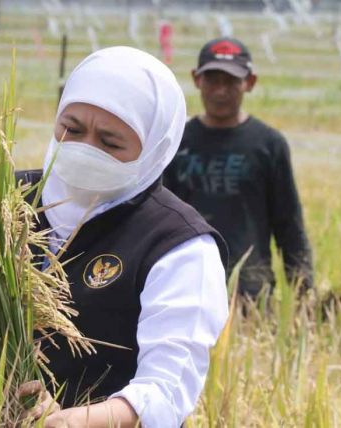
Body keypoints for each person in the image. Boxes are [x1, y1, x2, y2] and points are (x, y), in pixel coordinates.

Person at [13, 46, 229, 427]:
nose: (84, 150)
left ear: (154, 150)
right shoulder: (6, 201)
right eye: (72, 129)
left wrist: (74, 421)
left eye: (110, 143)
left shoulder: (177, 243)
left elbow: (166, 391)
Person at [163, 37, 313, 298]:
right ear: (197, 79)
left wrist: (303, 292)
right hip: (186, 286)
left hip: (250, 291)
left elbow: (289, 224)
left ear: (250, 83)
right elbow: (159, 218)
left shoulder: (269, 144)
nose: (221, 91)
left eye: (231, 81)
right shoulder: (176, 141)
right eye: (212, 80)